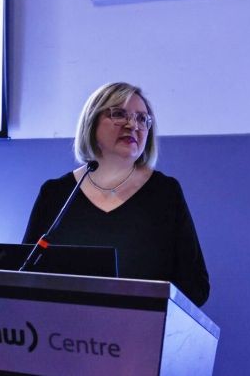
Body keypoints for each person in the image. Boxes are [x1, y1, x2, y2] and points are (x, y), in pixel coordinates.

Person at [22, 82, 210, 306]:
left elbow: (195, 286)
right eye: (119, 114)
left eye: (142, 119)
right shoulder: (56, 193)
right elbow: (23, 274)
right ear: (91, 123)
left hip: (141, 333)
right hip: (63, 331)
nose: (132, 125)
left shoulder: (165, 192)